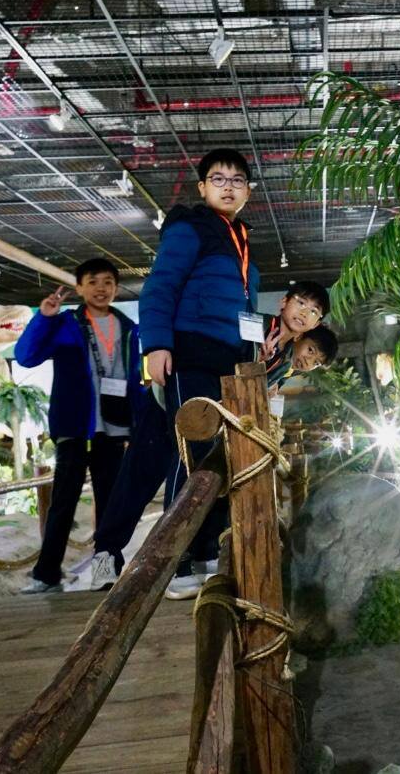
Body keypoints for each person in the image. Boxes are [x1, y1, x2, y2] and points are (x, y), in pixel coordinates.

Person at [87, 310, 337, 591]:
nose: (309, 361)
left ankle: (198, 555)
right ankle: (108, 553)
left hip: (209, 416)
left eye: (316, 362)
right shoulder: (260, 327)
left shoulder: (285, 364)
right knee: (140, 479)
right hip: (169, 402)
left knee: (208, 477)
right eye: (311, 351)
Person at [137, 148, 265, 600]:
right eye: (218, 179)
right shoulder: (190, 228)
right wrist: (156, 345)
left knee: (220, 457)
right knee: (191, 454)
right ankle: (174, 562)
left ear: (248, 191)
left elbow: (243, 310)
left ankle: (208, 550)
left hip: (228, 363)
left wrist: (254, 354)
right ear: (202, 187)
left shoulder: (240, 239)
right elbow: (160, 285)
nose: (228, 187)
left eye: (237, 180)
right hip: (189, 355)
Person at [14, 259, 141, 594]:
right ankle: (47, 575)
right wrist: (44, 317)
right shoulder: (65, 324)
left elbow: (133, 379)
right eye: (93, 281)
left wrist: (138, 422)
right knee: (63, 502)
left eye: (108, 282)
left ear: (116, 288)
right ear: (80, 288)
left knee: (111, 504)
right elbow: (26, 356)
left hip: (113, 430)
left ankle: (105, 569)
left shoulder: (128, 327)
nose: (101, 288)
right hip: (74, 427)